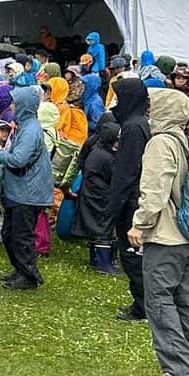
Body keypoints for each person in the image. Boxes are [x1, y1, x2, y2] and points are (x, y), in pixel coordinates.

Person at [128, 89, 189, 376]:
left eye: (153, 106)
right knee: (188, 299)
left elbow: (155, 190)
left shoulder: (160, 143)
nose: (150, 111)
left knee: (158, 299)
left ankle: (180, 366)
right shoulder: (187, 142)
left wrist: (139, 224)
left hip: (167, 235)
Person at [0, 85, 54, 290]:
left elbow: (18, 160)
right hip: (23, 191)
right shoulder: (26, 126)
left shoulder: (30, 130)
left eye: (15, 103)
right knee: (9, 233)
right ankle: (21, 270)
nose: (11, 106)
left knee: (21, 236)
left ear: (24, 105)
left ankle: (28, 276)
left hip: (28, 193)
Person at [107, 76, 151, 321]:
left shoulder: (133, 127)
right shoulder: (139, 122)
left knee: (132, 255)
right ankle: (141, 302)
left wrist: (114, 208)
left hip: (131, 200)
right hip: (135, 196)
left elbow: (126, 170)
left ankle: (142, 306)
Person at [72, 116, 121, 274]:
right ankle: (103, 264)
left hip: (91, 193)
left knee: (95, 226)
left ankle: (96, 260)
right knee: (103, 228)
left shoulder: (96, 149)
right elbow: (114, 177)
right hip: (100, 197)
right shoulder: (106, 157)